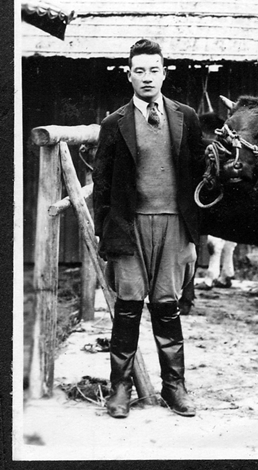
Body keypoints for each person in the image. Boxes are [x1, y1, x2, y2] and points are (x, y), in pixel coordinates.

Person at [93, 39, 206, 418]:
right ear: (129, 75)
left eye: (153, 70)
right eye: (138, 70)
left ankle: (175, 388)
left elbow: (198, 179)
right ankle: (120, 390)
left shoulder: (185, 116)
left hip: (174, 225)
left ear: (163, 73)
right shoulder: (115, 123)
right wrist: (104, 234)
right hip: (129, 227)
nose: (146, 77)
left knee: (167, 307)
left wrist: (195, 237)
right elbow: (103, 185)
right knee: (127, 309)